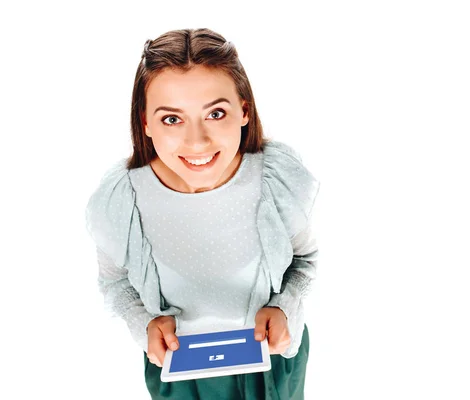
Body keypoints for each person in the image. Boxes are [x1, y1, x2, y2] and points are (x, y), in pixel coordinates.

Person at [84, 27, 320, 399]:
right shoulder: (121, 200)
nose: (197, 141)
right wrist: (143, 323)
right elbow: (115, 283)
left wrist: (284, 308)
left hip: (270, 363)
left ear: (244, 110)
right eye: (172, 119)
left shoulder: (276, 180)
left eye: (215, 113)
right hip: (182, 370)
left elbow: (305, 259)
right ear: (145, 122)